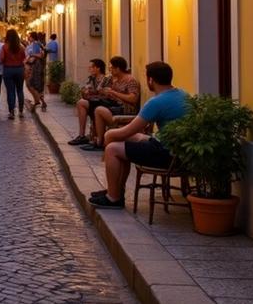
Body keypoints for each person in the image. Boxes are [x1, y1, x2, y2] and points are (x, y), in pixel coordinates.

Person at [90, 62, 189, 209]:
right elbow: (133, 133)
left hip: (166, 153)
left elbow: (128, 130)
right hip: (180, 152)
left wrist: (108, 134)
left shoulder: (156, 102)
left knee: (112, 148)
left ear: (151, 80)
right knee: (129, 139)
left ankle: (113, 197)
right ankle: (116, 189)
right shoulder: (182, 94)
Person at [81, 56, 141, 151]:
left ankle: (100, 142)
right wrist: (106, 93)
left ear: (117, 68)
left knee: (98, 109)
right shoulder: (115, 79)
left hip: (125, 108)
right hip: (114, 105)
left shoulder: (130, 80)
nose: (110, 71)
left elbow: (133, 98)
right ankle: (95, 138)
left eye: (111, 68)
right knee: (93, 104)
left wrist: (113, 93)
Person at [68, 58, 109, 145]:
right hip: (94, 102)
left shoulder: (106, 79)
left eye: (91, 67)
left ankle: (83, 135)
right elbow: (85, 93)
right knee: (81, 102)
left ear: (98, 68)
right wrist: (85, 91)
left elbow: (105, 94)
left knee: (81, 103)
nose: (89, 69)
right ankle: (82, 135)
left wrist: (91, 93)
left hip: (102, 103)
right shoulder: (91, 79)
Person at [0, 29, 27, 119]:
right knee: (20, 90)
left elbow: (2, 59)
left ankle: (11, 112)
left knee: (10, 91)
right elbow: (24, 58)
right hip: (19, 69)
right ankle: (21, 111)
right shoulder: (21, 47)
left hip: (8, 70)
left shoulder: (4, 47)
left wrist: (1, 61)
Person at [24, 32, 47, 112]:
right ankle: (39, 101)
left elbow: (40, 55)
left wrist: (31, 57)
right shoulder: (33, 44)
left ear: (33, 37)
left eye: (29, 36)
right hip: (34, 67)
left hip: (36, 67)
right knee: (34, 84)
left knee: (33, 84)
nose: (28, 38)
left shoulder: (36, 44)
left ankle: (39, 102)